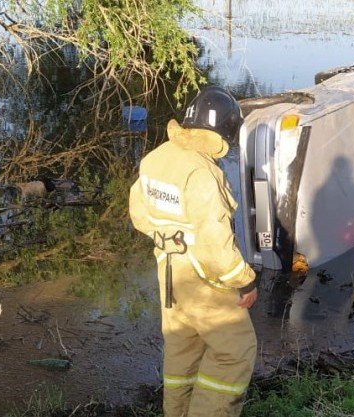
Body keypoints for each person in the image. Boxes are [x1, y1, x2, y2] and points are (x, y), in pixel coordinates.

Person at [128, 86, 258, 417]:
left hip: (170, 271)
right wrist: (244, 280)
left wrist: (169, 237)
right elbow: (215, 244)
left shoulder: (156, 158)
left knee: (182, 351)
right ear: (226, 131)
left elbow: (139, 215)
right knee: (235, 351)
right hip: (204, 276)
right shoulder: (202, 172)